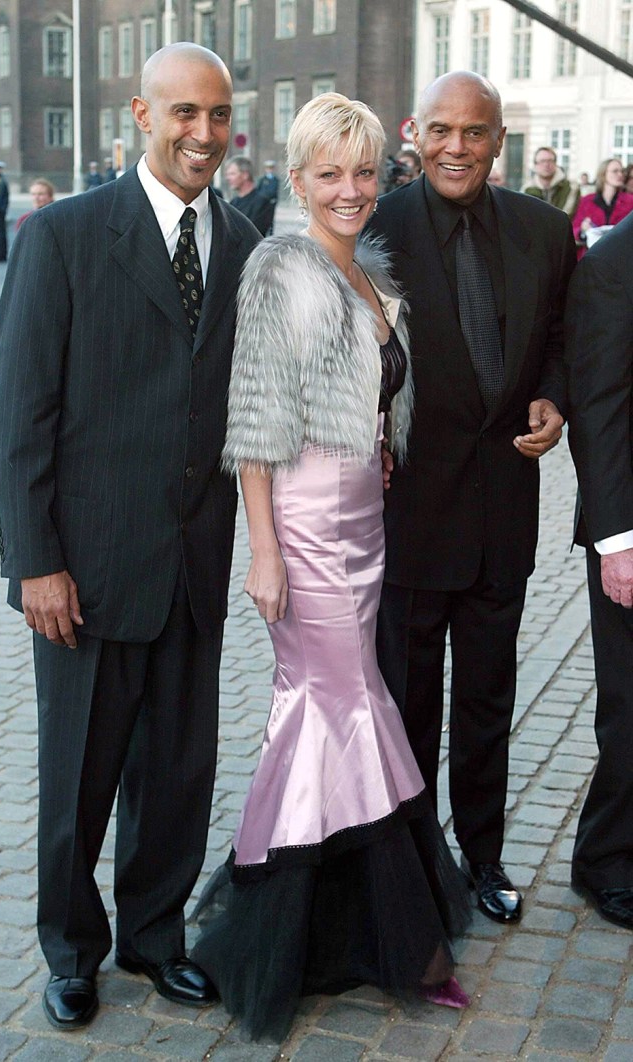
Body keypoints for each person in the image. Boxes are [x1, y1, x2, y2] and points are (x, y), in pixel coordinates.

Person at [0, 42, 261, 1032]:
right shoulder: (64, 236)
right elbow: (17, 410)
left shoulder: (239, 239)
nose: (201, 132)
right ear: (140, 118)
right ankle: (71, 948)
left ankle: (154, 937)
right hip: (86, 572)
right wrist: (35, 562)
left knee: (178, 774)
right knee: (78, 781)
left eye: (216, 114)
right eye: (181, 112)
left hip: (192, 565)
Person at [190, 91, 471, 1044]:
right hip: (305, 533)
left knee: (337, 710)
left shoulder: (368, 278)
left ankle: (325, 931)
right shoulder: (283, 271)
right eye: (328, 174)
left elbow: (376, 393)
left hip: (366, 524)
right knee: (338, 705)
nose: (350, 191)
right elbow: (255, 423)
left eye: (363, 173)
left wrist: (380, 444)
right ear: (299, 178)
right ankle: (390, 940)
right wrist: (265, 549)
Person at [368, 71, 576, 925]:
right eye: (442, 131)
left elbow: (564, 335)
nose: (457, 148)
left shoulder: (546, 231)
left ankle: (483, 855)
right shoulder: (371, 228)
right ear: (417, 134)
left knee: (489, 700)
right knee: (408, 701)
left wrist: (553, 396)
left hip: (503, 517)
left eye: (476, 133)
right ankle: (416, 861)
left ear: (498, 141)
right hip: (409, 515)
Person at [564, 210, 633, 930]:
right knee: (630, 707)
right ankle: (605, 859)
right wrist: (617, 541)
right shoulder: (614, 260)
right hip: (632, 532)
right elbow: (599, 407)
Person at [571, 158, 633, 259]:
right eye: (615, 171)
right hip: (592, 256)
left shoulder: (630, 201)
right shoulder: (587, 200)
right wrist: (583, 230)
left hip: (620, 257)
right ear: (603, 174)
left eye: (621, 171)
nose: (620, 174)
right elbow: (574, 229)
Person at [523, 145, 580, 217]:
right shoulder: (527, 189)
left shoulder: (571, 187)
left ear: (555, 164)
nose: (546, 165)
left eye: (550, 161)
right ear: (535, 165)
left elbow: (566, 216)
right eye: (542, 161)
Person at [224, 155, 275, 235]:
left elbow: (253, 232)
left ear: (245, 175)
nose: (228, 178)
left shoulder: (262, 201)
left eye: (232, 174)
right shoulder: (233, 202)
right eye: (227, 174)